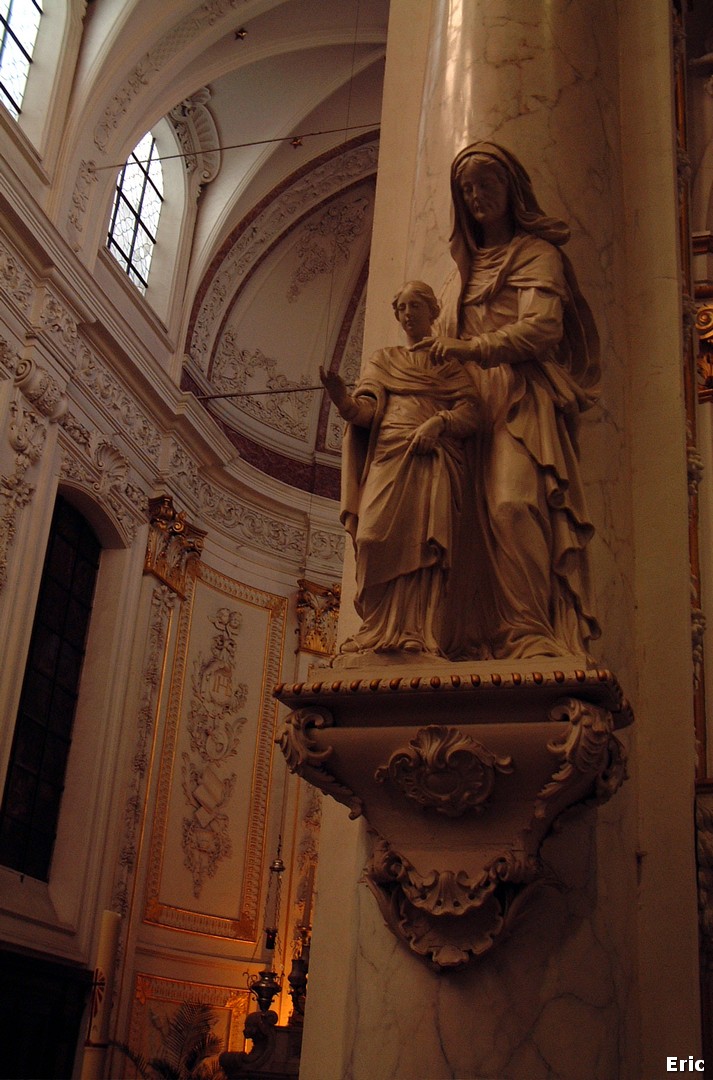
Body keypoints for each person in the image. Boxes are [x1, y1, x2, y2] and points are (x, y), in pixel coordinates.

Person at [419, 141, 601, 659]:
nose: (477, 197)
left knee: (513, 504)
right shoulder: (462, 272)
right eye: (467, 188)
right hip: (463, 403)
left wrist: (472, 347)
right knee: (456, 526)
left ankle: (530, 632)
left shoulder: (537, 255)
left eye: (487, 184)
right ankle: (470, 638)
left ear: (512, 189)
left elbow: (543, 328)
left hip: (517, 397)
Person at [320, 281, 479, 657]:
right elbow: (367, 412)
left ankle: (419, 632)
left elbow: (474, 412)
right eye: (401, 308)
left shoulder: (447, 364)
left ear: (432, 311)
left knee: (426, 545)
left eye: (414, 307)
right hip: (389, 456)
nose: (407, 315)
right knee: (370, 538)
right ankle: (377, 629)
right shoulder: (384, 360)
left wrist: (439, 423)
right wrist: (342, 399)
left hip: (431, 460)